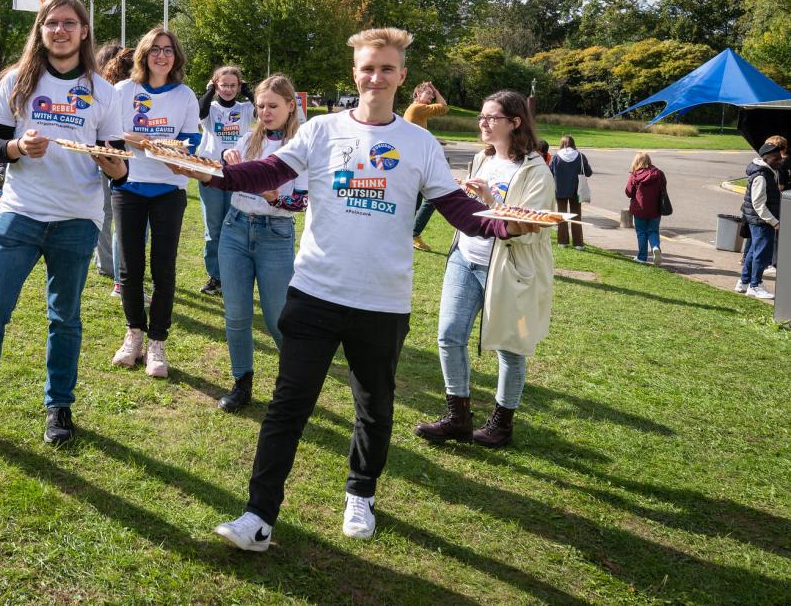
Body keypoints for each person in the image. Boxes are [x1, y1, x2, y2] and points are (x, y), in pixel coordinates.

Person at [168, 28, 538, 550]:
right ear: (355, 72)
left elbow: (457, 208)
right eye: (368, 67)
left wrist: (505, 225)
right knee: (287, 406)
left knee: (375, 407)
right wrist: (213, 176)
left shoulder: (420, 143)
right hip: (315, 291)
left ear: (402, 76)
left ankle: (360, 494)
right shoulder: (321, 130)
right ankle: (257, 516)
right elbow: (269, 170)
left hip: (381, 301)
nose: (376, 76)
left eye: (387, 68)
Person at [0, 0, 128, 448]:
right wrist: (17, 148)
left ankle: (59, 408)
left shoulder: (103, 91)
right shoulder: (17, 80)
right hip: (20, 212)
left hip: (77, 219)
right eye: (51, 23)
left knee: (64, 318)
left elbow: (117, 159)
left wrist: (117, 167)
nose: (60, 30)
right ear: (41, 29)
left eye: (69, 23)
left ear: (84, 31)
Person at [413, 90, 554, 450]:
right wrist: (467, 194)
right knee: (448, 334)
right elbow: (472, 210)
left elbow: (531, 225)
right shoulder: (482, 158)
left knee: (510, 346)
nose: (483, 123)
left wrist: (492, 200)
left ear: (515, 123)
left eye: (492, 118)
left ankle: (501, 424)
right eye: (481, 116)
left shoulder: (535, 170)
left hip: (508, 267)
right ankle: (457, 416)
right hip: (465, 256)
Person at [110, 28, 201, 378]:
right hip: (128, 186)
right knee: (130, 269)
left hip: (168, 189)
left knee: (163, 270)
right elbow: (113, 136)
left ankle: (157, 343)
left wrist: (147, 143)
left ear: (175, 57)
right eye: (155, 50)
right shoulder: (123, 91)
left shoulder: (186, 96)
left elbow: (189, 144)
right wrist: (145, 144)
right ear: (144, 54)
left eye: (168, 50)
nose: (161, 56)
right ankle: (133, 335)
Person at [214, 73, 307, 412]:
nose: (265, 112)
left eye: (273, 105)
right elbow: (227, 166)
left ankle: (296, 387)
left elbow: (302, 202)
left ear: (290, 106)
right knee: (236, 315)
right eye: (260, 106)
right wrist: (227, 157)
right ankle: (242, 383)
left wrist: (273, 198)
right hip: (235, 230)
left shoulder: (299, 147)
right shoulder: (248, 140)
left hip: (275, 236)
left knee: (277, 319)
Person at [197, 64, 256, 296]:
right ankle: (215, 277)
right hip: (211, 171)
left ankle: (233, 276)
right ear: (216, 84)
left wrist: (248, 91)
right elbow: (199, 114)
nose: (229, 89)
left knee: (234, 225)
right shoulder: (209, 107)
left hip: (237, 173)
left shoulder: (245, 108)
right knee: (214, 228)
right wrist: (211, 90)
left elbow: (262, 109)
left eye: (233, 85)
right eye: (224, 85)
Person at [94, 43, 128, 286]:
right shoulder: (111, 91)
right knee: (110, 212)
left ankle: (107, 262)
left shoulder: (106, 90)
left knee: (105, 212)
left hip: (109, 154)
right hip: (112, 155)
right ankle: (109, 263)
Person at [404, 81, 449, 251]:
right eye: (428, 93)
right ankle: (413, 234)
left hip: (416, 161)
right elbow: (444, 107)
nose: (431, 96)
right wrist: (437, 90)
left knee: (414, 202)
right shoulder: (417, 108)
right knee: (431, 199)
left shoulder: (416, 111)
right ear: (417, 94)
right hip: (416, 163)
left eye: (432, 93)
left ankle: (407, 234)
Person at [737, 141, 782, 300]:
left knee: (752, 252)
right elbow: (758, 204)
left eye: (780, 158)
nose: (779, 161)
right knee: (762, 254)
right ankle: (755, 285)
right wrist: (774, 222)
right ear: (766, 158)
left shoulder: (767, 172)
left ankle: (744, 282)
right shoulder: (762, 176)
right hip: (762, 222)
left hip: (757, 220)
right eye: (776, 158)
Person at [549, 135, 591, 249]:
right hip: (576, 190)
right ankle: (578, 243)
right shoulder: (581, 156)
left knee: (561, 215)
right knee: (576, 216)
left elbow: (549, 173)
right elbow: (588, 172)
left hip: (560, 190)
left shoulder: (556, 157)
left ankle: (562, 241)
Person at [625, 152, 667, 265]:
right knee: (653, 230)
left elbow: (628, 192)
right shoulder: (658, 173)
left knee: (641, 232)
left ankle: (642, 257)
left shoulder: (635, 175)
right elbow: (663, 188)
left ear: (636, 162)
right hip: (655, 208)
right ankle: (655, 247)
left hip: (639, 208)